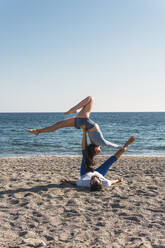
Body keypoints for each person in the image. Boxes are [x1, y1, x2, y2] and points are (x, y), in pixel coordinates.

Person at [27, 96, 121, 153]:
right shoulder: (95, 142)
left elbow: (108, 143)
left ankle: (73, 109)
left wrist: (120, 147)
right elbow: (89, 136)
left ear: (95, 149)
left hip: (85, 121)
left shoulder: (99, 142)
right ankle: (38, 131)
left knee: (90, 98)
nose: (99, 151)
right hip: (82, 122)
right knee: (57, 125)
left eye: (98, 151)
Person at [61, 126, 135, 191]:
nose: (93, 180)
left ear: (90, 184)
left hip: (85, 173)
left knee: (85, 154)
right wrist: (118, 180)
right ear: (100, 182)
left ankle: (85, 132)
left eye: (91, 182)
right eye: (95, 181)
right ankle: (124, 147)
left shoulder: (84, 183)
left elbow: (74, 182)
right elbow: (112, 182)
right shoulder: (106, 183)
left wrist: (67, 181)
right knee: (110, 161)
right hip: (99, 173)